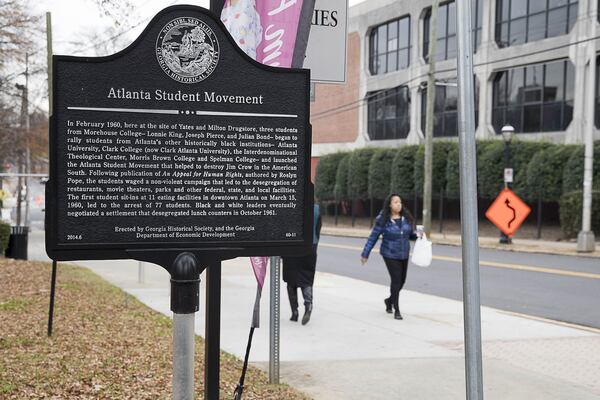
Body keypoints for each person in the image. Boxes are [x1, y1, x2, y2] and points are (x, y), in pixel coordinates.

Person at [361, 194, 420, 320]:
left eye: (400, 202)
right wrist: (365, 253)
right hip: (389, 253)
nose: (398, 204)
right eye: (395, 202)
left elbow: (409, 235)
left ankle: (389, 301)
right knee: (396, 280)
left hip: (404, 253)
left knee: (402, 281)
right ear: (390, 205)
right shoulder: (383, 219)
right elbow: (373, 236)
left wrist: (418, 236)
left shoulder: (405, 218)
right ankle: (396, 310)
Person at [282, 203, 322, 325]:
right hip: (310, 246)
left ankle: (294, 312)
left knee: (291, 279)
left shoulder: (289, 206)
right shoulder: (316, 209)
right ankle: (308, 306)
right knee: (307, 278)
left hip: (291, 245)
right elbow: (318, 229)